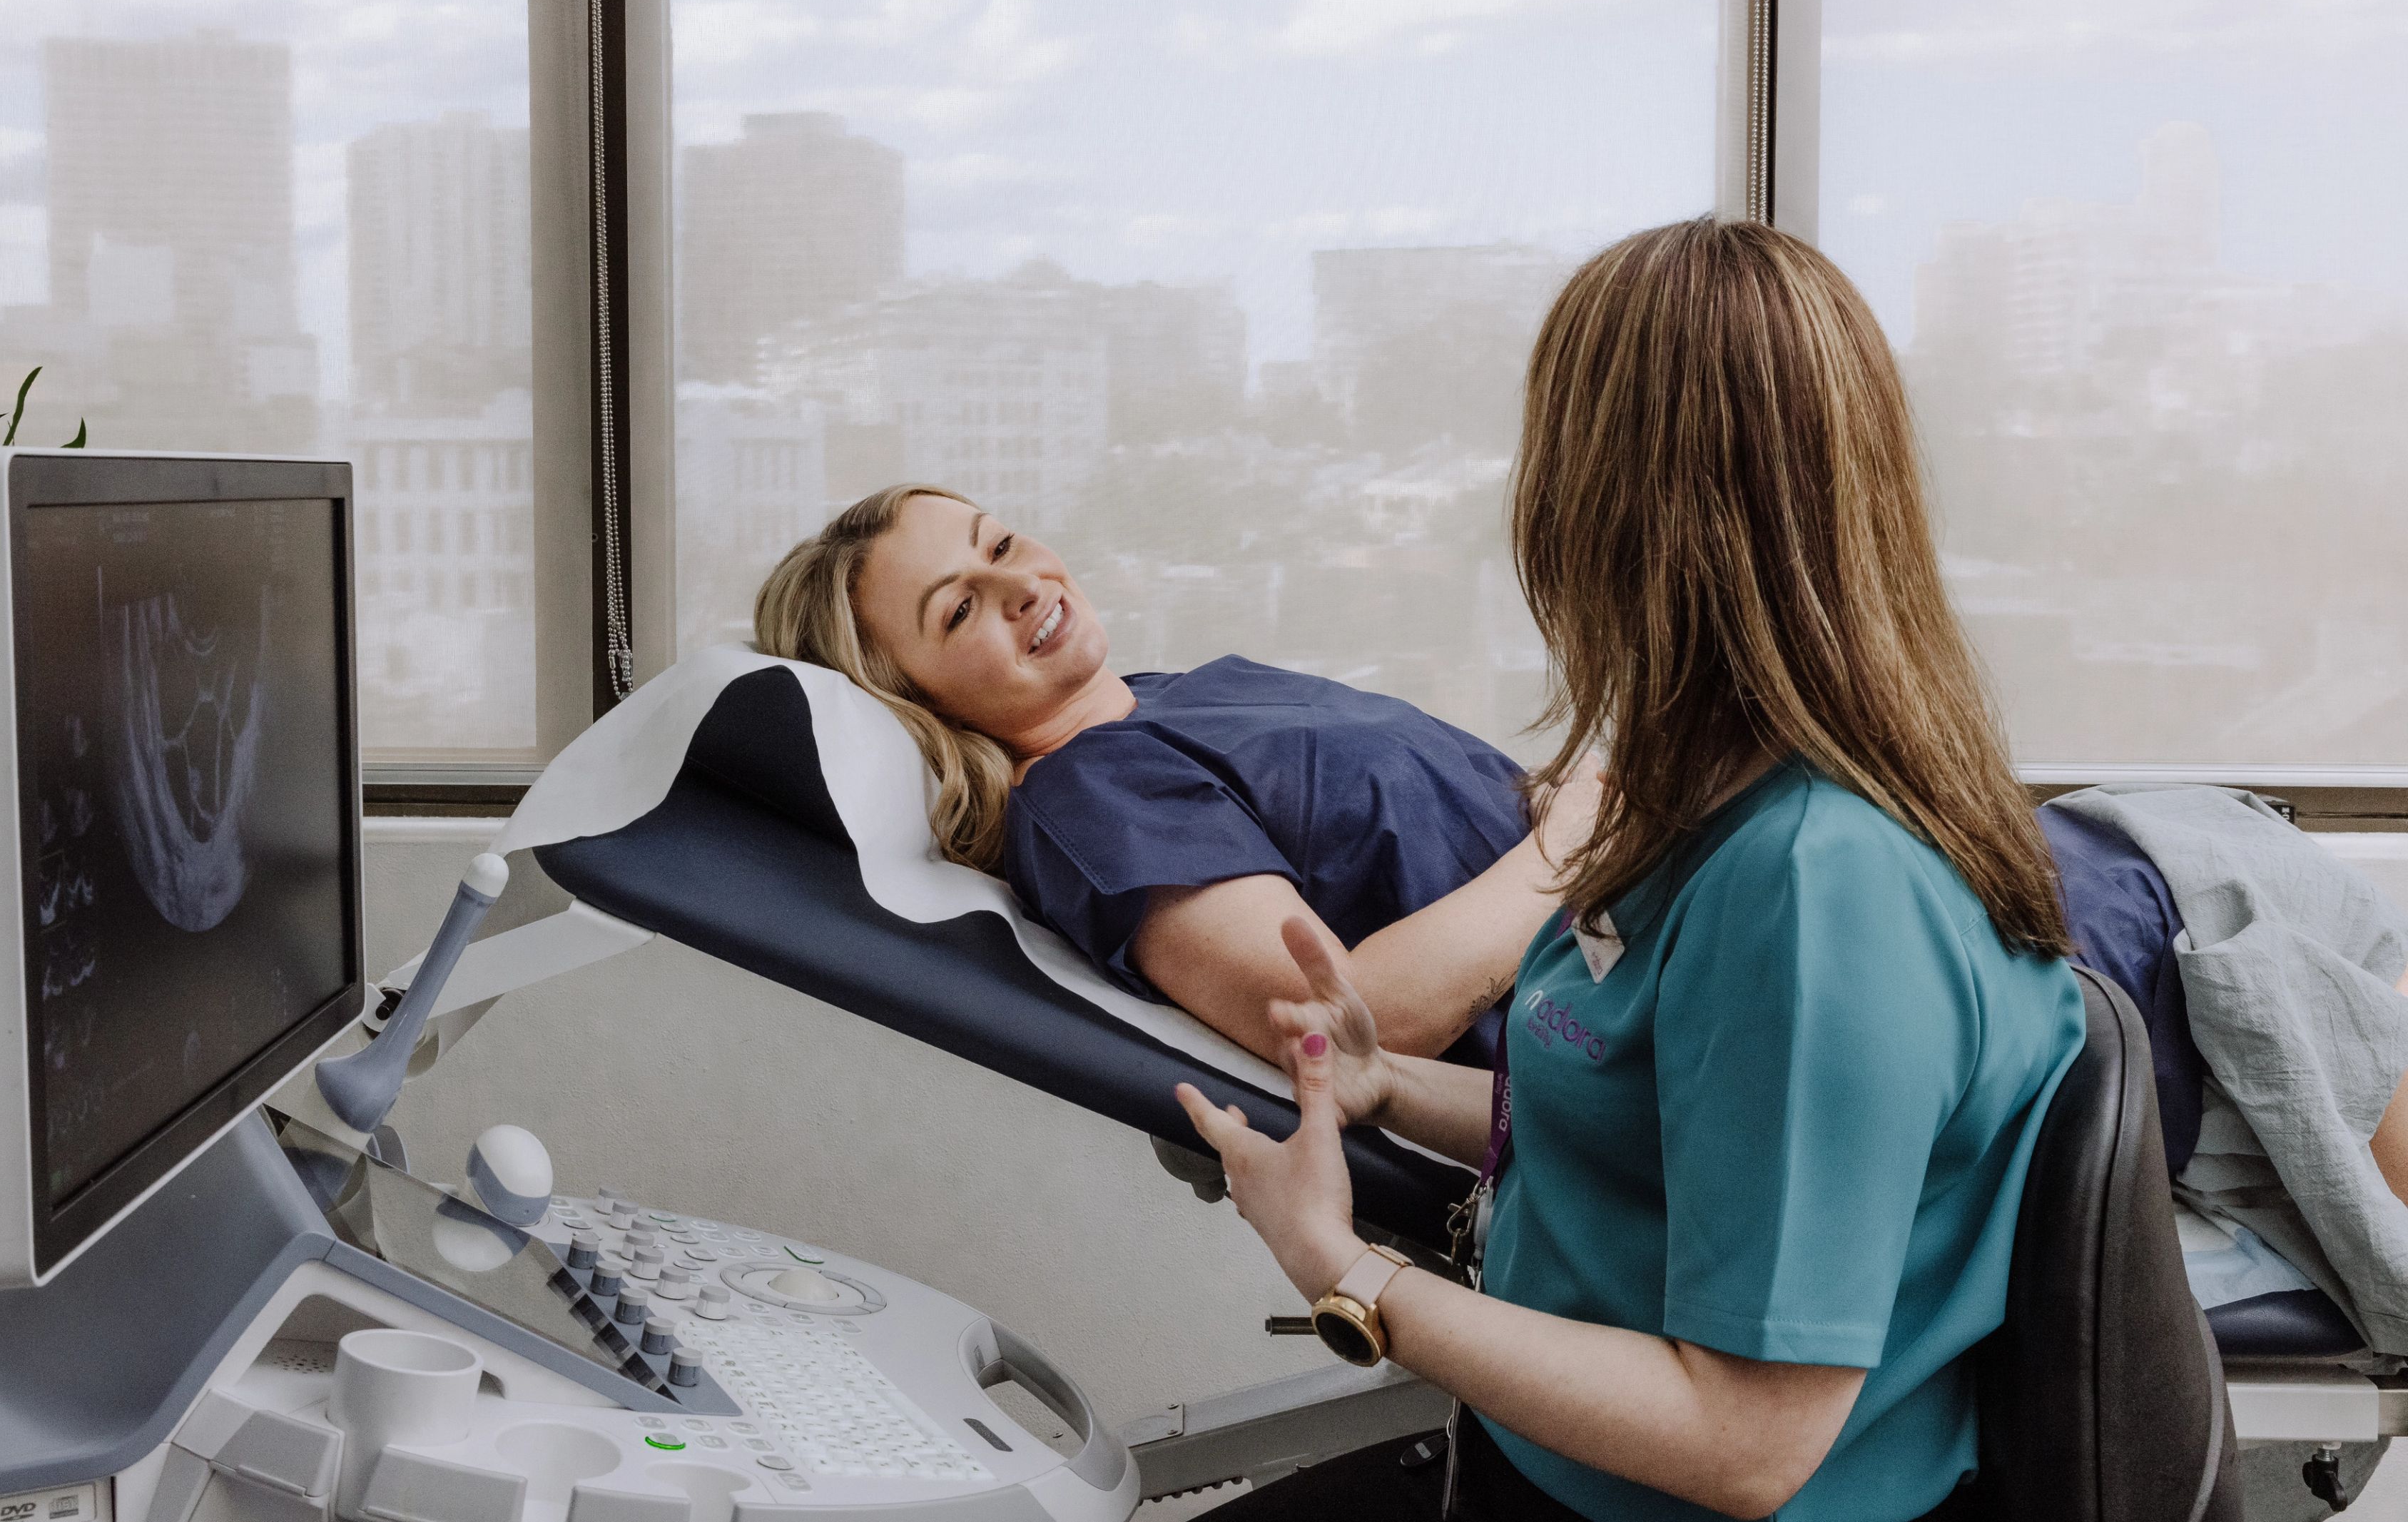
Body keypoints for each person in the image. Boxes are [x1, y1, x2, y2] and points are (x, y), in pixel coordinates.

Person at [1174, 218, 2087, 1521]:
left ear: (1600, 502)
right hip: (1543, 1470)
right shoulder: (1687, 791)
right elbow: (1644, 1112)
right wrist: (1390, 1086)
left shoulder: (1816, 884)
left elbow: (1746, 1440)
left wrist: (1339, 1266)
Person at [753, 482, 1602, 1067]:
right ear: (918, 698)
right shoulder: (1093, 799)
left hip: (1642, 908)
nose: (1018, 582)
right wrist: (1575, 835)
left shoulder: (1166, 699)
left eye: (1002, 543)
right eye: (960, 608)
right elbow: (1350, 1023)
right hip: (1624, 1018)